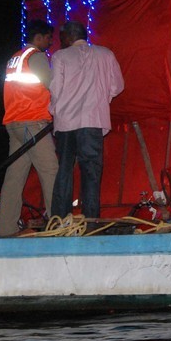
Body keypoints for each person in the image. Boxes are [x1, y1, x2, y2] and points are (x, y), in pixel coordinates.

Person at [49, 21, 124, 220]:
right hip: (93, 121)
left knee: (64, 170)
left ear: (67, 37)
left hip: (66, 122)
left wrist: (53, 110)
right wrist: (103, 97)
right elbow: (118, 85)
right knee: (91, 172)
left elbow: (55, 89)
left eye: (61, 37)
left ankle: (61, 221)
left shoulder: (59, 56)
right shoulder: (105, 54)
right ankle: (90, 221)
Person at [0, 20, 59, 235]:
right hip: (32, 123)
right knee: (50, 171)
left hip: (14, 123)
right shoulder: (36, 57)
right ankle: (57, 225)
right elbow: (53, 85)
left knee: (14, 177)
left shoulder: (14, 58)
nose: (50, 42)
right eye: (49, 38)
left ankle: (6, 229)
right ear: (40, 37)